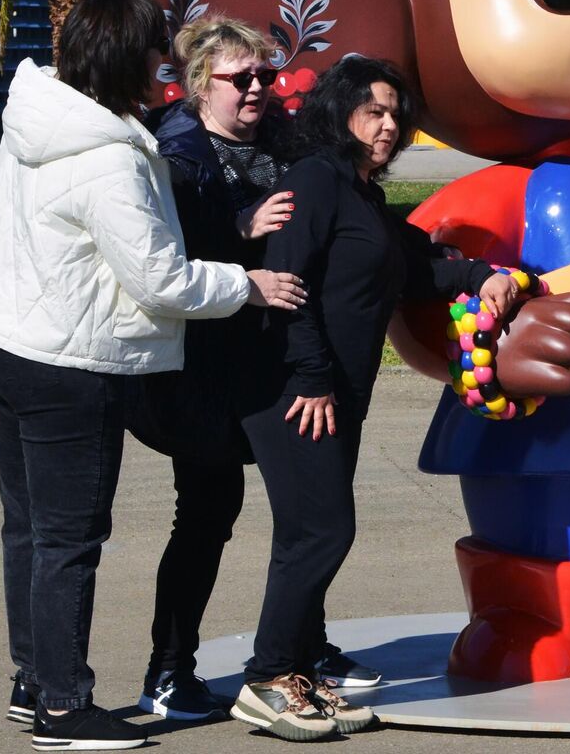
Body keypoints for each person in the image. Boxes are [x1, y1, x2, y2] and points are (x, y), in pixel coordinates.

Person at [0, 0, 305, 752]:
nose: (165, 72)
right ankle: (65, 708)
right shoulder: (111, 155)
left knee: (30, 529)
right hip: (66, 365)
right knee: (70, 538)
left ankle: (35, 680)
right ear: (127, 58)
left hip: (0, 344)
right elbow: (161, 281)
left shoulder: (39, 117)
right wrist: (248, 283)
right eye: (157, 55)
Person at [231, 56, 526, 742]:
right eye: (374, 111)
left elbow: (414, 268)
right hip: (295, 391)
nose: (388, 124)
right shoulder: (315, 181)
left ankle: (298, 670)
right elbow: (285, 283)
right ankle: (269, 679)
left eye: (396, 113)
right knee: (323, 532)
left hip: (336, 390)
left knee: (307, 534)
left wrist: (484, 274)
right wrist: (309, 378)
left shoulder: (359, 192)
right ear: (339, 113)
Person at [132, 17, 297, 721]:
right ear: (202, 86)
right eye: (241, 78)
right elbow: (161, 254)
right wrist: (240, 232)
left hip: (273, 360)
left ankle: (301, 652)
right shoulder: (178, 154)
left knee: (307, 512)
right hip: (200, 372)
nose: (258, 88)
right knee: (205, 515)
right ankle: (169, 672)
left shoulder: (282, 140)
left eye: (265, 74)